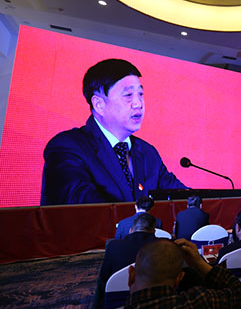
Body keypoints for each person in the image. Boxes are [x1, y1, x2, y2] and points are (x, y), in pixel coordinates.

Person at [41, 59, 185, 205]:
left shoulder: (148, 153)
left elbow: (181, 198)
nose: (138, 104)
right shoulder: (68, 147)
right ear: (99, 104)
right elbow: (81, 205)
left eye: (140, 94)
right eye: (128, 95)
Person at [85, 238, 241, 309]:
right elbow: (238, 290)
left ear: (131, 275)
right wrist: (199, 263)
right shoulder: (202, 307)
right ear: (179, 279)